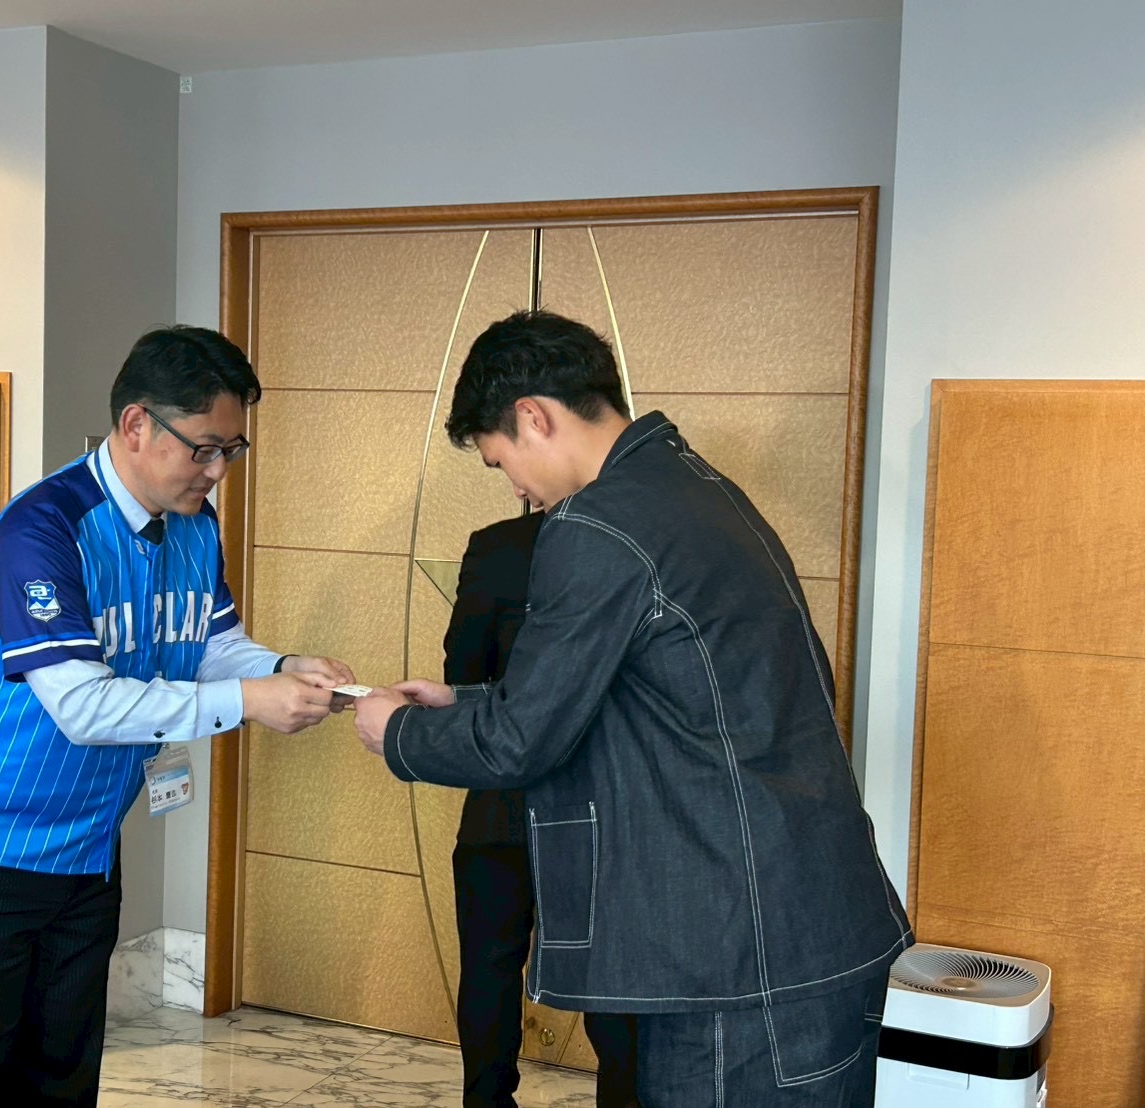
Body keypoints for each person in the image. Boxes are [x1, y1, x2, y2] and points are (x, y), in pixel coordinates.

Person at [356, 310, 912, 1106]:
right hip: (811, 926)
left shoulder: (597, 524)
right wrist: (463, 698)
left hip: (732, 956)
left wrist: (398, 732)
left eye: (501, 461)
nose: (514, 489)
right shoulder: (697, 489)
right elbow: (645, 693)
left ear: (533, 417)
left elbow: (519, 743)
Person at [0, 326, 353, 1108]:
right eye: (204, 449)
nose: (217, 472)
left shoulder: (195, 525)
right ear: (137, 424)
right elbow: (82, 705)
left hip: (87, 849)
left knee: (64, 1075)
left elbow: (210, 643)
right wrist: (251, 702)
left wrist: (280, 668)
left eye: (231, 451)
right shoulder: (41, 531)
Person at [446, 509, 637, 1107]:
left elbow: (462, 673)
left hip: (504, 793)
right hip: (606, 804)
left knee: (489, 965)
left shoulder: (499, 546)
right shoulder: (642, 541)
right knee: (615, 984)